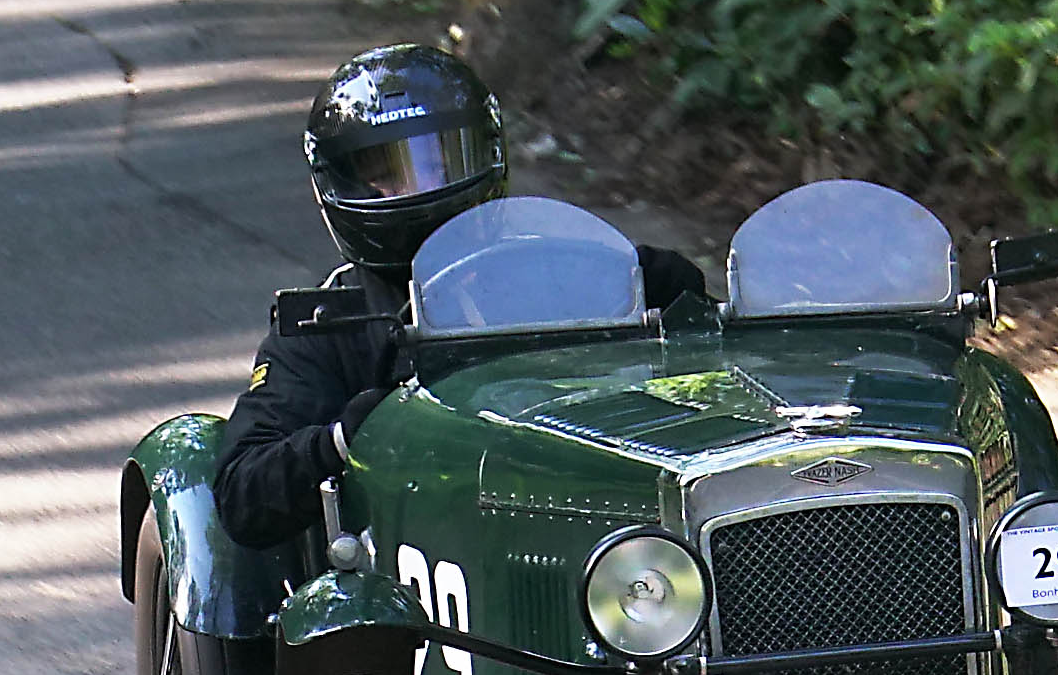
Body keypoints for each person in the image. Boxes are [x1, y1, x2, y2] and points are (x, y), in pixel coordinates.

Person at [210, 44, 710, 549]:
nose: (418, 188)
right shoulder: (329, 324)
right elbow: (241, 494)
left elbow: (690, 313)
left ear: (485, 153)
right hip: (414, 573)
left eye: (439, 162)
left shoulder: (570, 268)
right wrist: (347, 437)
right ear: (343, 184)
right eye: (386, 174)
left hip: (602, 541)